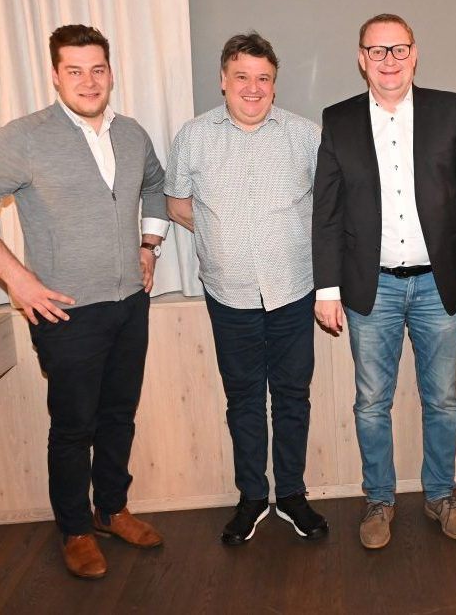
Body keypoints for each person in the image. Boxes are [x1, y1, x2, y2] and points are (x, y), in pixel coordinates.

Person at [0, 25, 168, 579]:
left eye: (97, 69)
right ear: (55, 75)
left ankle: (111, 510)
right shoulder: (24, 137)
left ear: (111, 72)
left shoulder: (132, 134)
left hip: (130, 304)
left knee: (118, 416)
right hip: (65, 312)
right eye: (74, 70)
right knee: (73, 427)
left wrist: (149, 245)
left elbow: (154, 185)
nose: (88, 81)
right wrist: (18, 280)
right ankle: (75, 529)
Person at [312, 13, 456, 549]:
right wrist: (327, 288)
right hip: (371, 288)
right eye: (377, 50)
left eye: (398, 49)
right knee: (372, 403)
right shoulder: (338, 120)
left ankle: (441, 496)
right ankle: (379, 501)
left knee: (443, 400)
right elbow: (327, 212)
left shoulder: (450, 110)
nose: (388, 60)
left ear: (414, 54)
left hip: (441, 285)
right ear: (361, 59)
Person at [165, 32, 328, 544]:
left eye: (263, 78)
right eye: (242, 77)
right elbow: (177, 204)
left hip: (293, 291)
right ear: (223, 80)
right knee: (243, 399)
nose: (252, 88)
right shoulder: (193, 137)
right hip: (228, 294)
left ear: (274, 84)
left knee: (293, 396)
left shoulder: (306, 136)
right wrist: (223, 235)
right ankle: (252, 497)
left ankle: (293, 495)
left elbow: (329, 209)